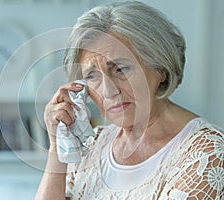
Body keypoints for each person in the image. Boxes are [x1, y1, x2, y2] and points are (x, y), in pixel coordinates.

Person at [35, 1, 224, 199]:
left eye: (121, 69)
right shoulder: (92, 145)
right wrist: (57, 147)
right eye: (92, 76)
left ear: (160, 68)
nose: (108, 91)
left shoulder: (206, 152)